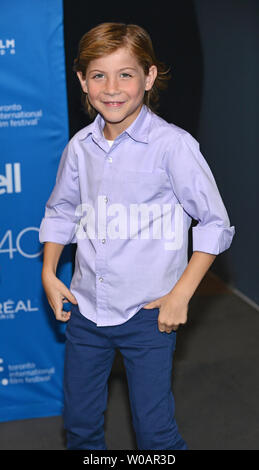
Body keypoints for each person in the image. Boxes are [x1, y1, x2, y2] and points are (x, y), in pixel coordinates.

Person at [39, 22, 235, 450]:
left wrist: (181, 294)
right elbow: (61, 210)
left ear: (148, 78)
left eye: (125, 74)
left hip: (149, 313)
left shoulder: (173, 147)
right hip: (86, 310)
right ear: (82, 81)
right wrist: (50, 272)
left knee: (154, 432)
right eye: (98, 75)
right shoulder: (79, 148)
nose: (112, 88)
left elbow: (215, 224)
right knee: (79, 424)